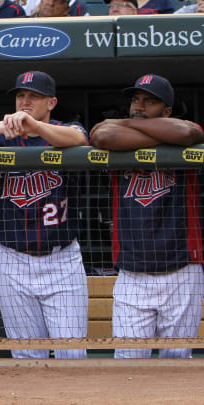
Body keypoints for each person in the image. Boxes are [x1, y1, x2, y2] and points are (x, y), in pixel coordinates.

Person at [0, 71, 89, 359]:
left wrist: (35, 126)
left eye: (33, 96)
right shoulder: (4, 137)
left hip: (61, 259)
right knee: (26, 356)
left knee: (72, 355)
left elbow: (80, 138)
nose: (25, 101)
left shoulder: (65, 128)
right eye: (21, 96)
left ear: (51, 102)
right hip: (12, 258)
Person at [90, 74, 204, 359]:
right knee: (128, 361)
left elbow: (188, 134)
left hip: (182, 267)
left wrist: (131, 127)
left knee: (176, 361)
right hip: (132, 271)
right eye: (135, 100)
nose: (139, 106)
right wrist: (152, 130)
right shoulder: (112, 130)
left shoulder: (185, 132)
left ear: (167, 111)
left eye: (149, 102)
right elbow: (103, 136)